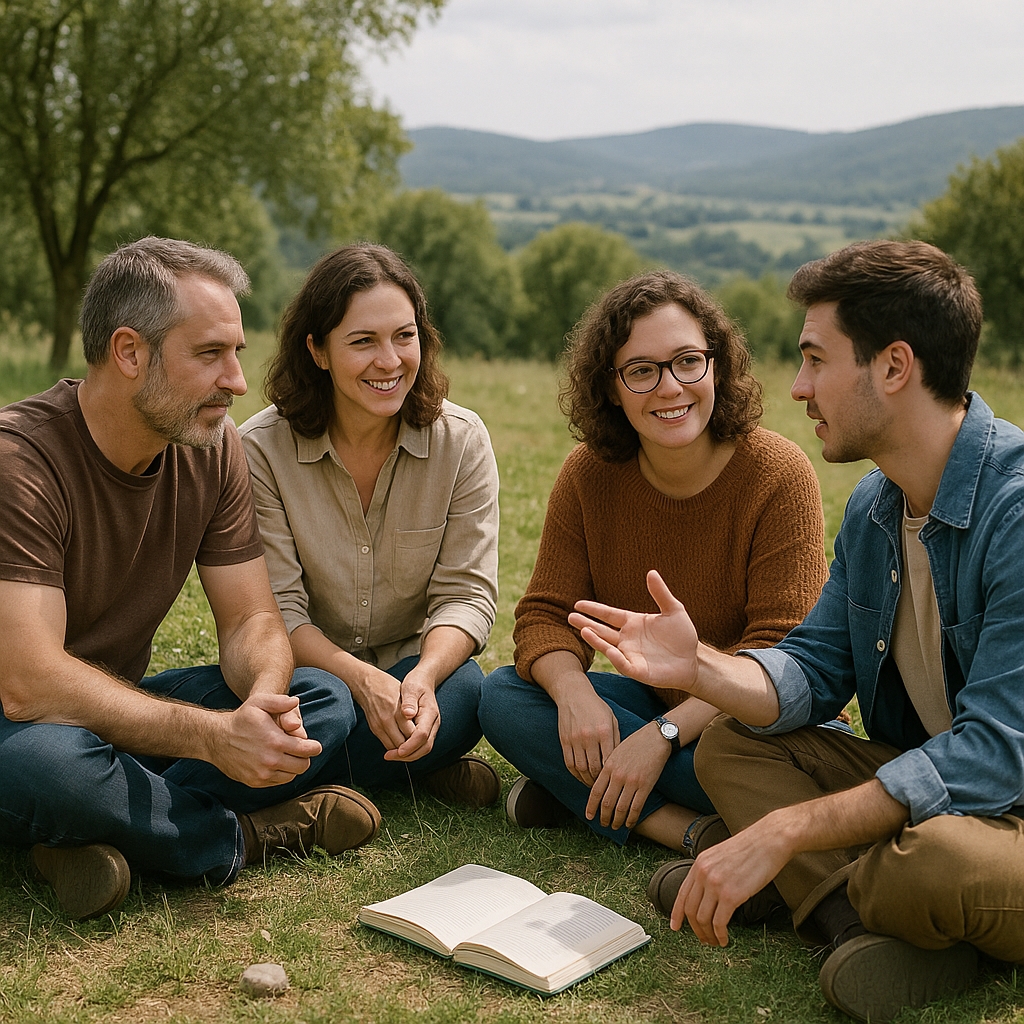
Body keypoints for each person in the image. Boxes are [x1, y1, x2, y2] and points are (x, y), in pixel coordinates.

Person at [570, 240, 1024, 1022]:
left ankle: (813, 894)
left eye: (816, 359)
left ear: (893, 366)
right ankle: (854, 923)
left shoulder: (1014, 513)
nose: (798, 386)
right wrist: (704, 671)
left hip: (1001, 811)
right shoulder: (877, 509)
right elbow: (813, 670)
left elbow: (994, 754)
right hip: (923, 789)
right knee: (731, 742)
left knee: (929, 863)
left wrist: (786, 832)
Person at [0, 237, 382, 922]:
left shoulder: (212, 446)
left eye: (236, 352)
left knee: (319, 695)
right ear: (129, 352)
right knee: (51, 768)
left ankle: (94, 829)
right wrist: (212, 740)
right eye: (210, 354)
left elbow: (251, 620)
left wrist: (261, 709)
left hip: (108, 718)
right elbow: (29, 682)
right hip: (21, 726)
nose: (237, 380)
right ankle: (238, 837)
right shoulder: (18, 464)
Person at [478, 269, 827, 852]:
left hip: (740, 729)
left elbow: (781, 652)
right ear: (612, 388)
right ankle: (681, 828)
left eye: (688, 361)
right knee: (504, 699)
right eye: (642, 371)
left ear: (716, 365)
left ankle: (580, 790)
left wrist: (660, 738)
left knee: (750, 773)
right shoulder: (589, 474)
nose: (670, 388)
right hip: (648, 704)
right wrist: (575, 696)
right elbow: (543, 614)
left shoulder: (778, 474)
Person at [239, 244, 500, 807]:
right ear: (318, 350)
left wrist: (425, 677)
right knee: (324, 704)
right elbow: (278, 611)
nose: (390, 361)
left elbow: (467, 596)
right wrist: (360, 680)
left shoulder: (462, 440)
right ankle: (409, 771)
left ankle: (326, 781)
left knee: (469, 689)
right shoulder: (259, 451)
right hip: (309, 678)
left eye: (404, 337)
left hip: (412, 676)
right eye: (363, 341)